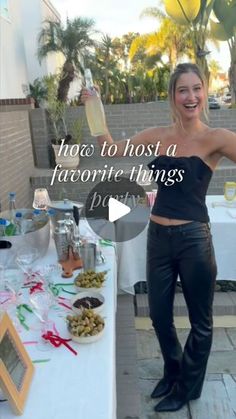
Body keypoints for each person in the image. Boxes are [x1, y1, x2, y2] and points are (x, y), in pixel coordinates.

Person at [81, 62, 236, 412]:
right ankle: (173, 370)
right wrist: (94, 109)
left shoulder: (217, 138)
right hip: (158, 239)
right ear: (173, 96)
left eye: (197, 88)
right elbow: (110, 150)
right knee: (159, 314)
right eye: (183, 89)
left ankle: (187, 388)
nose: (191, 96)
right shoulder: (159, 136)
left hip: (195, 240)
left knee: (201, 321)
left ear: (205, 91)